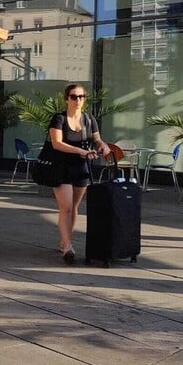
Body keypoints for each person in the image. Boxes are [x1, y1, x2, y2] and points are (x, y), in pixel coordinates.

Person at [48, 84, 111, 265]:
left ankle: (65, 240)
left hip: (81, 167)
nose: (78, 100)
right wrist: (80, 151)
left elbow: (96, 138)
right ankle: (68, 247)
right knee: (65, 206)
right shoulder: (59, 119)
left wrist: (102, 145)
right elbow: (57, 143)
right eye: (74, 97)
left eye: (81, 97)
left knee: (74, 207)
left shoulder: (89, 119)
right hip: (61, 167)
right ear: (66, 99)